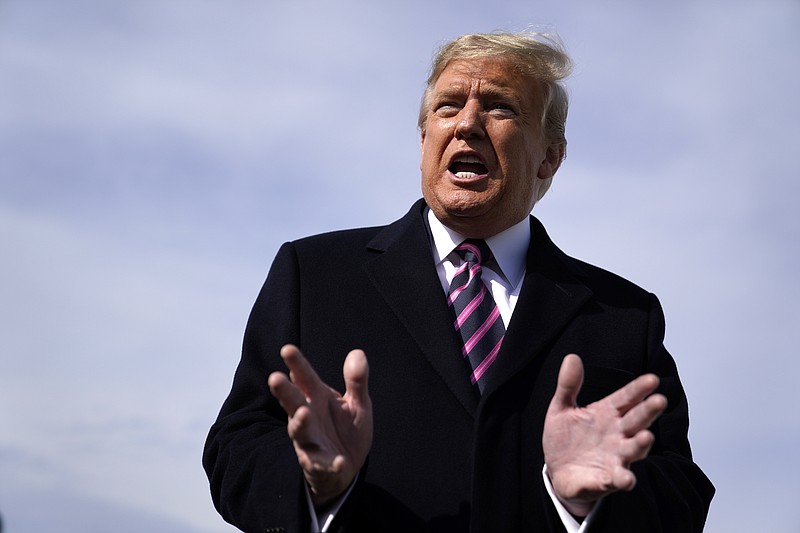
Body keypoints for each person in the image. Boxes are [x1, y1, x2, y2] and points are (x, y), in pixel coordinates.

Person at [203, 31, 714, 533]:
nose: (467, 123)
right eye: (448, 106)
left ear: (550, 157)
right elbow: (236, 445)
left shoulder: (624, 315)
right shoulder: (313, 273)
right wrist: (315, 485)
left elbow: (679, 492)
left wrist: (583, 504)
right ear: (425, 139)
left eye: (500, 108)